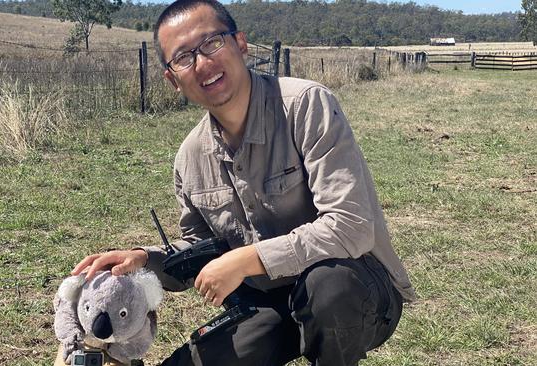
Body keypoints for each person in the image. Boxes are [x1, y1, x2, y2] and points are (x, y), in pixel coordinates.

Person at [71, 0, 416, 365]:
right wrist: (143, 260)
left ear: (240, 43)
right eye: (184, 57)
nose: (203, 63)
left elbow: (351, 227)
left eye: (212, 43)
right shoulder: (189, 157)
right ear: (172, 79)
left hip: (358, 287)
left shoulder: (305, 105)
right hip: (268, 303)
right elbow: (199, 247)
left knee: (327, 289)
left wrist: (244, 261)